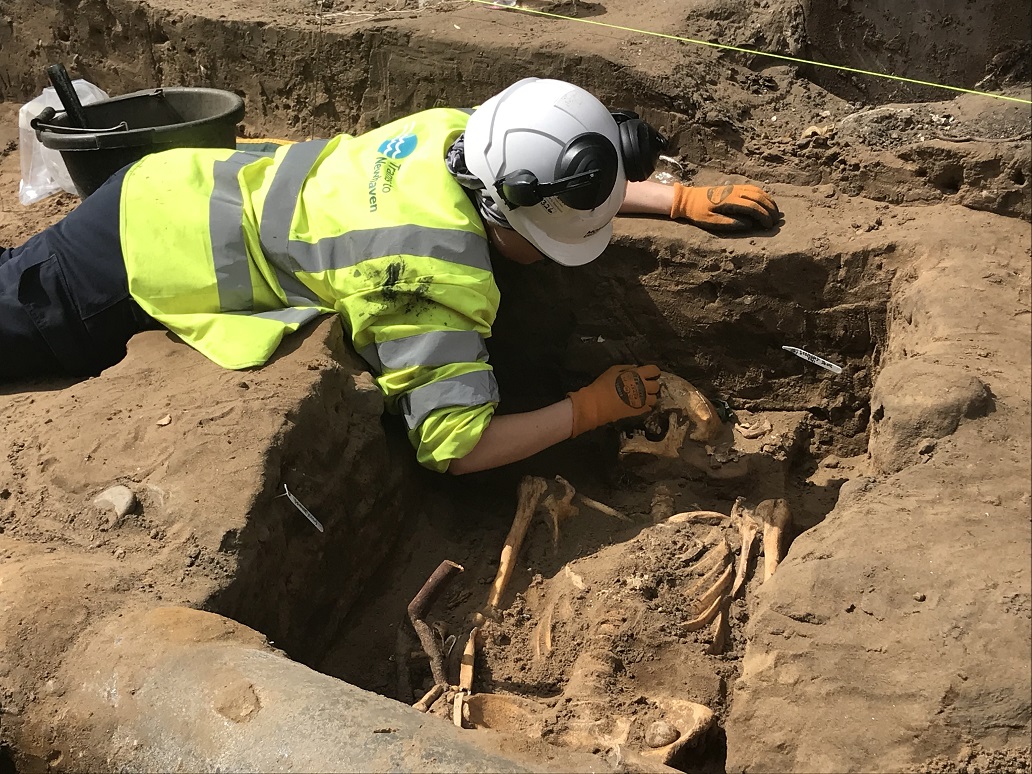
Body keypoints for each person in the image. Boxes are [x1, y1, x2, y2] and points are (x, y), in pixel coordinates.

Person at [0, 77, 779, 474]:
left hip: (179, 187)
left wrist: (670, 197)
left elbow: (531, 176)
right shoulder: (426, 274)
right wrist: (591, 406)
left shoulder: (456, 134)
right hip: (126, 264)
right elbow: (454, 444)